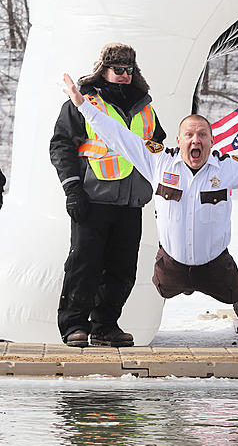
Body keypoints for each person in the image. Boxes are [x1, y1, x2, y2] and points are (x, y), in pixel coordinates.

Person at [61, 72, 238, 328]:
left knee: (233, 292)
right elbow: (118, 135)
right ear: (179, 140)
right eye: (189, 135)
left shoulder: (228, 168)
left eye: (202, 135)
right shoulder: (158, 162)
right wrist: (82, 105)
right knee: (163, 287)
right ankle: (183, 281)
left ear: (211, 141)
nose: (196, 140)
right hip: (172, 265)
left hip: (214, 265)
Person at [50, 43, 167, 348]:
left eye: (129, 70)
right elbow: (62, 145)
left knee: (122, 268)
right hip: (92, 197)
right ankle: (74, 325)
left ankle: (105, 326)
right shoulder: (85, 102)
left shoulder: (145, 106)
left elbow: (157, 147)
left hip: (132, 199)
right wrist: (72, 187)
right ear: (103, 69)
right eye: (118, 69)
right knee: (84, 265)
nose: (124, 75)